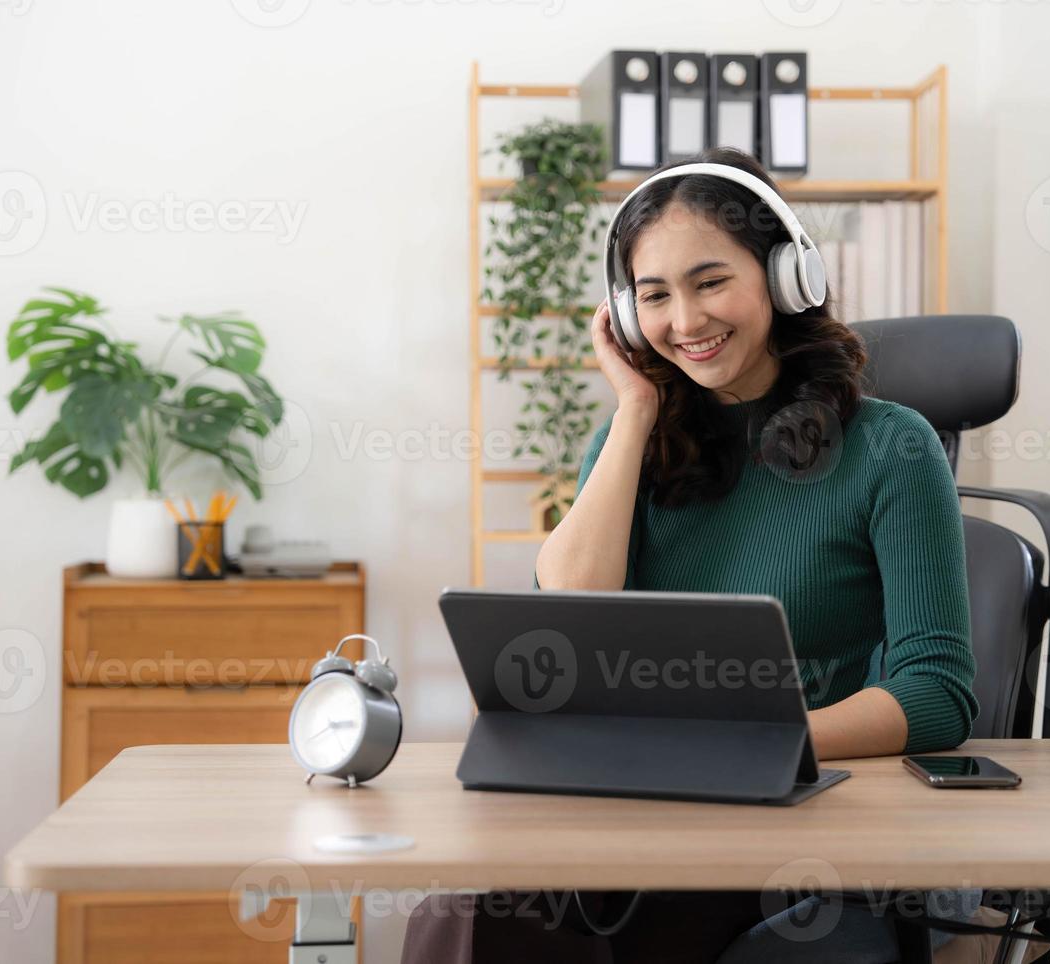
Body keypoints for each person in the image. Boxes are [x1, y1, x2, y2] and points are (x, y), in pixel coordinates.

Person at [402, 146, 982, 963]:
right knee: (467, 917)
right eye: (655, 296)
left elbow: (937, 693)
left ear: (787, 277)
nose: (685, 321)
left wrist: (766, 746)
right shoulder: (627, 441)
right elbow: (569, 610)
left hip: (806, 828)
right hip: (645, 814)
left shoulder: (892, 449)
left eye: (711, 282)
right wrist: (637, 408)